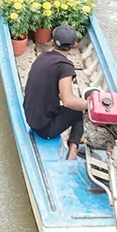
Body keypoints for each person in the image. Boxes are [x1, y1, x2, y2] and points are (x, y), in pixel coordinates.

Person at [23, 25, 87, 160]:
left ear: (52, 42)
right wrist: (91, 106)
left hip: (30, 117)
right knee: (78, 113)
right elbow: (68, 101)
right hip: (43, 129)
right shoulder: (65, 66)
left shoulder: (43, 57)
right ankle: (72, 153)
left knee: (75, 107)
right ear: (75, 44)